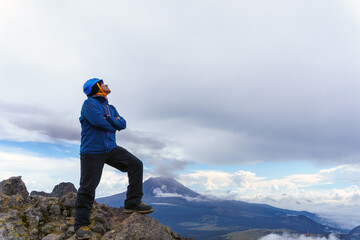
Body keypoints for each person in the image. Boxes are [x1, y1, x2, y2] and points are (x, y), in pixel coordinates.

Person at [74, 78, 153, 239]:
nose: (107, 85)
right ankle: (80, 225)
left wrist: (110, 120)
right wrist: (113, 122)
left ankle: (132, 203)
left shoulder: (110, 107)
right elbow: (99, 122)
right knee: (88, 187)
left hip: (111, 149)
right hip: (92, 151)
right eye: (103, 83)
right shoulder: (89, 104)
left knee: (136, 165)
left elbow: (122, 124)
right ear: (96, 88)